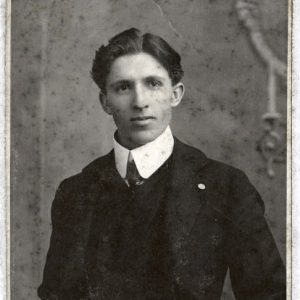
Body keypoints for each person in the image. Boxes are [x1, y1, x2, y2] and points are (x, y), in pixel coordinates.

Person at [38, 28, 285, 299]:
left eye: (153, 84)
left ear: (175, 94)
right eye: (123, 87)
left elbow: (268, 293)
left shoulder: (226, 187)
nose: (140, 102)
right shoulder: (76, 193)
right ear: (105, 101)